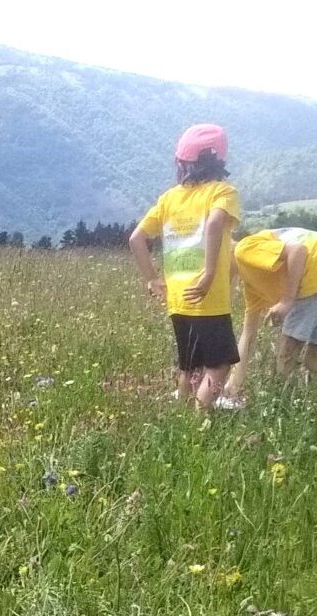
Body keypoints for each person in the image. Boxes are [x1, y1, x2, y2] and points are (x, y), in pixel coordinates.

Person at [128, 123, 242, 411]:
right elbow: (215, 222)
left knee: (189, 365)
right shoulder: (222, 191)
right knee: (220, 365)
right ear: (219, 161)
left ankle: (180, 415)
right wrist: (209, 273)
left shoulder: (170, 197)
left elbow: (136, 238)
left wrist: (152, 280)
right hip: (208, 298)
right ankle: (198, 417)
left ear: (182, 163)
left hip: (177, 298)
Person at [227, 226, 317, 400]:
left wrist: (287, 300)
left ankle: (283, 407)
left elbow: (298, 251)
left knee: (286, 355)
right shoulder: (251, 283)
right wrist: (233, 384)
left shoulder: (243, 249)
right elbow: (248, 336)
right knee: (315, 361)